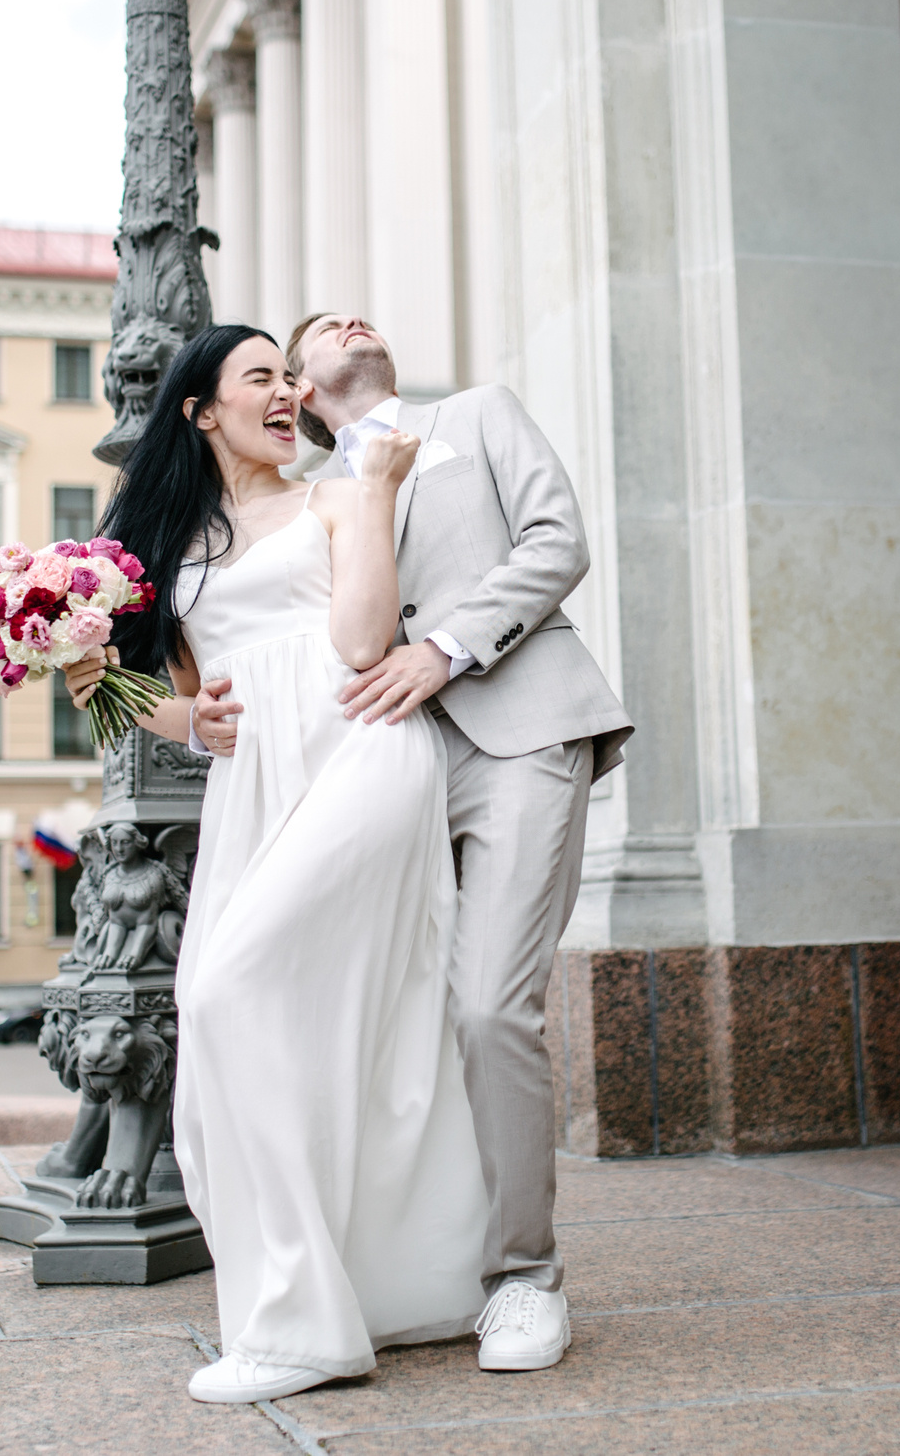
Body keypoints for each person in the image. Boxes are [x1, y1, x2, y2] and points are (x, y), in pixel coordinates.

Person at [81, 312, 630, 1384]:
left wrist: (443, 647)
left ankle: (522, 1277)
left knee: (483, 1005)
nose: (334, 332)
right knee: (387, 1022)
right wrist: (172, 711)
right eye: (283, 357)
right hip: (328, 761)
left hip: (506, 730)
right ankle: (398, 1279)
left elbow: (554, 544)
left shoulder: (468, 419)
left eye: (289, 367)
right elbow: (169, 681)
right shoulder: (296, 489)